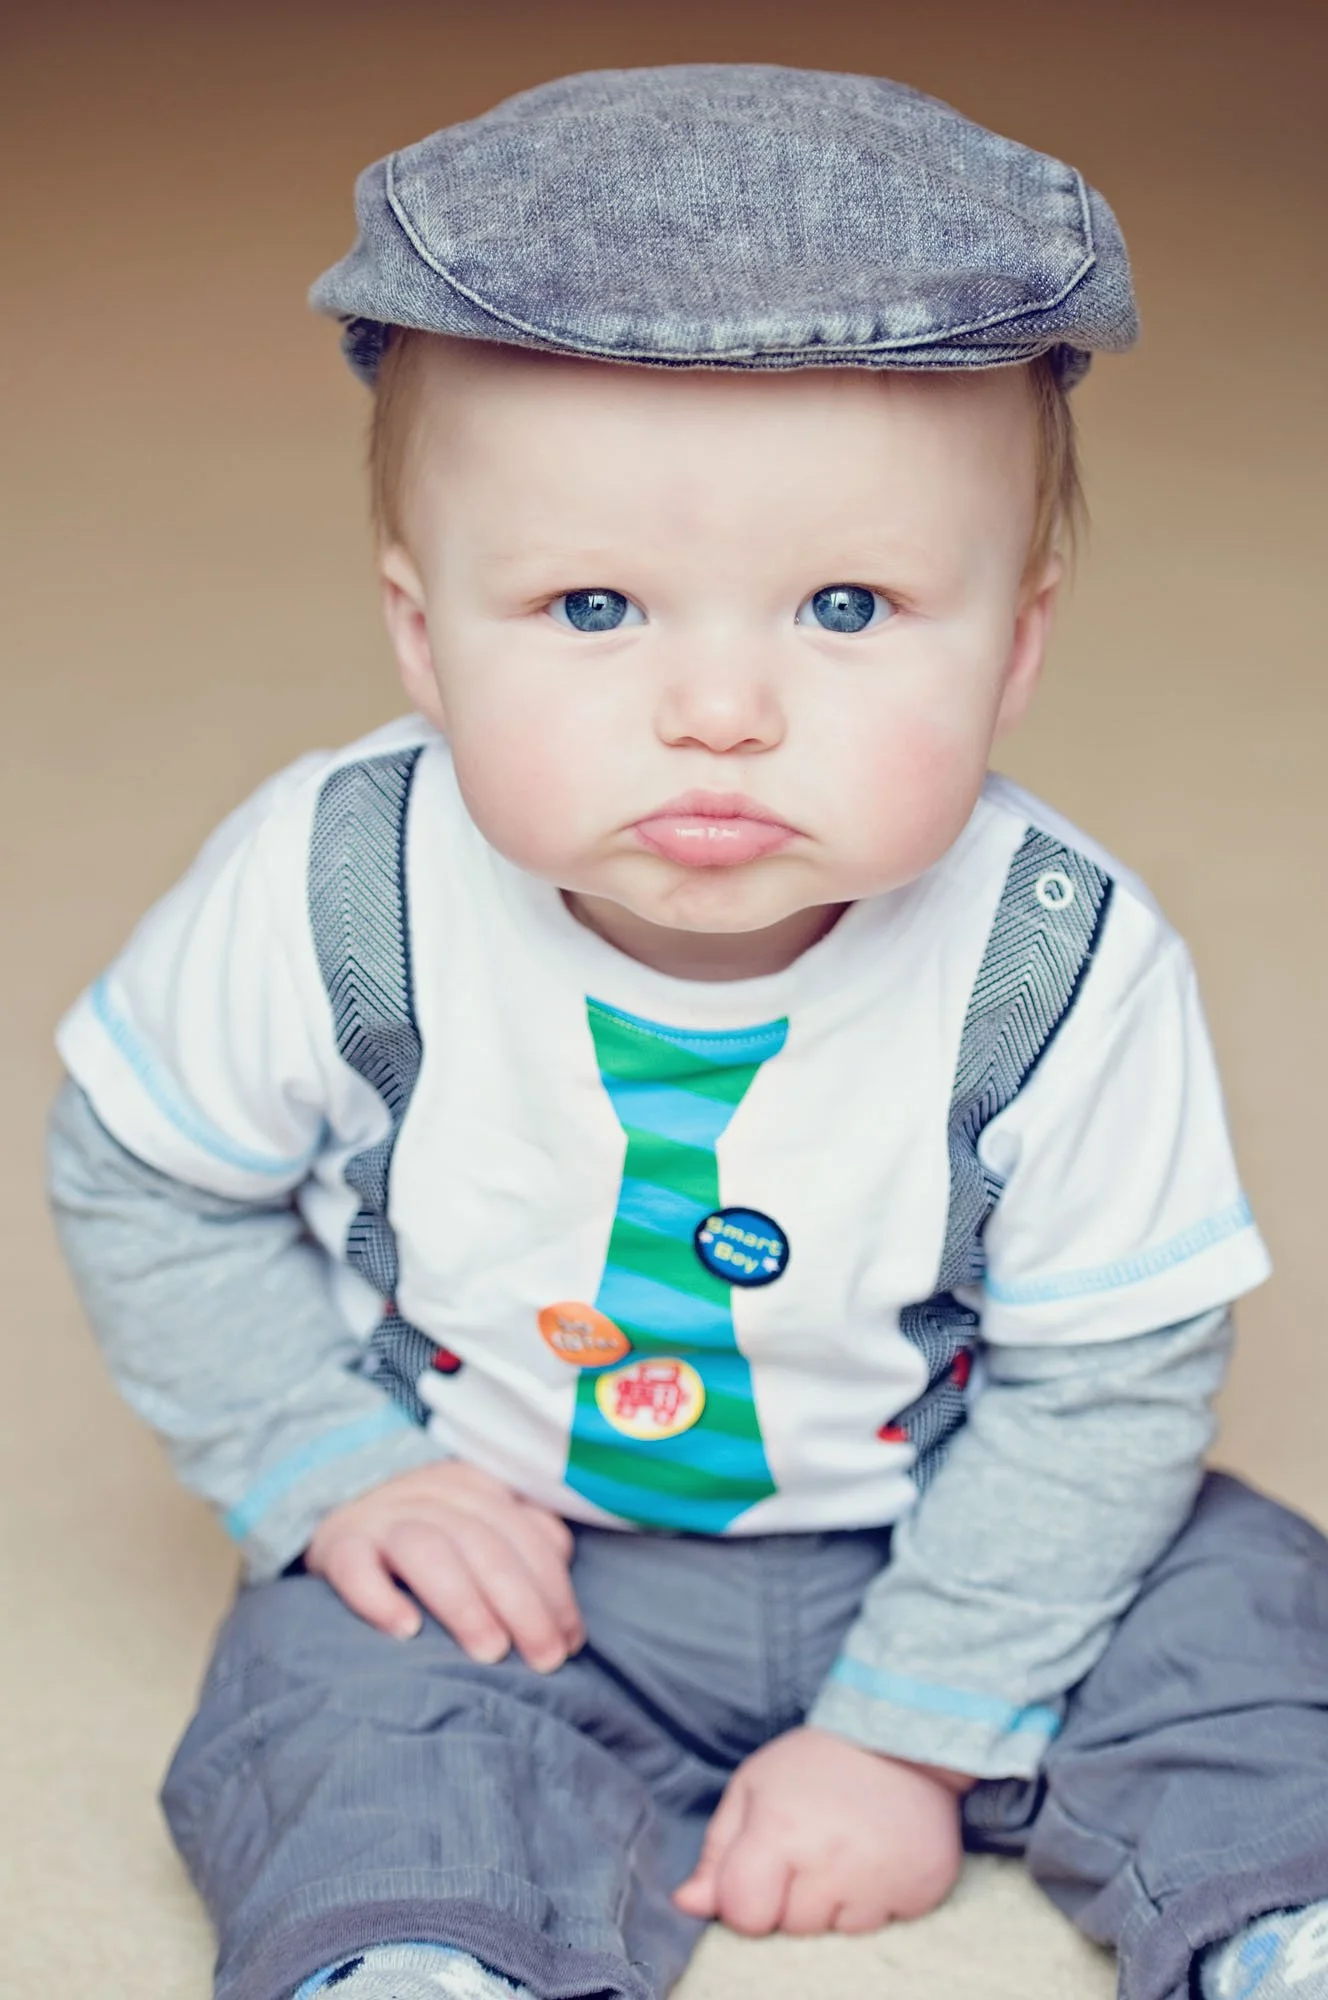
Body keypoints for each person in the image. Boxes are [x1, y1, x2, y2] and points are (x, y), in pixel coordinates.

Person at [48, 63, 1328, 2000]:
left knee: (1238, 1620)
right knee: (337, 1701)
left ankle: (1275, 1916)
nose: (717, 707)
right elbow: (141, 1169)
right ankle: (418, 1954)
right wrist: (322, 1458)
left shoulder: (1055, 959)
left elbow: (1109, 1376)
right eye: (587, 606)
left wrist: (911, 1720)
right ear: (420, 630)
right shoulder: (333, 886)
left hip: (963, 1512)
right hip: (519, 1528)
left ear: (1016, 641)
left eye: (844, 603)